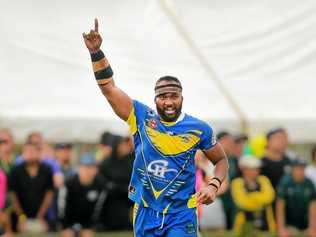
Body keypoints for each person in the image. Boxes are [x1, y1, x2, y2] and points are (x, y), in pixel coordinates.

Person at [82, 19, 228, 237]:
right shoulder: (140, 116)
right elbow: (109, 88)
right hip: (145, 210)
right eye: (162, 96)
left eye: (173, 96)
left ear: (182, 98)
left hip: (182, 213)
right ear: (155, 99)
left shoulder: (199, 129)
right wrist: (96, 52)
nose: (168, 102)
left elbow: (221, 160)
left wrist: (213, 185)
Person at [58, 153, 107, 237]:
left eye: (90, 167)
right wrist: (65, 227)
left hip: (88, 223)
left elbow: (98, 210)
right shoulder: (68, 184)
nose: (87, 171)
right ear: (78, 169)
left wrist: (91, 227)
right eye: (84, 167)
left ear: (96, 169)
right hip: (69, 221)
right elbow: (62, 208)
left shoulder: (101, 186)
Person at [10, 142, 54, 234]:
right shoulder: (16, 170)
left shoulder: (47, 170)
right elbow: (13, 195)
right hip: (20, 217)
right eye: (27, 151)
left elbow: (49, 194)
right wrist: (21, 217)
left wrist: (41, 216)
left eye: (33, 151)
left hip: (42, 216)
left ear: (39, 152)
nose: (30, 154)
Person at [231, 155, 275, 237]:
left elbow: (269, 197)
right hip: (244, 227)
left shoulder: (264, 180)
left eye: (257, 168)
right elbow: (242, 203)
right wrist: (259, 199)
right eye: (253, 168)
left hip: (266, 226)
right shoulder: (237, 183)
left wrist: (251, 197)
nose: (256, 171)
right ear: (244, 169)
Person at [99, 135, 134, 230]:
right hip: (109, 204)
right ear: (116, 145)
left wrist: (119, 187)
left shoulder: (131, 162)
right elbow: (103, 183)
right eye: (123, 144)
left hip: (126, 203)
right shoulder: (106, 163)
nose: (126, 146)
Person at [276, 159, 316, 237]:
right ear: (292, 169)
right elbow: (280, 207)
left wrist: (312, 227)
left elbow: (313, 206)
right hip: (289, 225)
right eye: (297, 168)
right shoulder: (285, 182)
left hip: (305, 224)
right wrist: (281, 228)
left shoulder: (309, 183)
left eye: (302, 169)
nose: (300, 171)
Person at [216, 131, 238, 230]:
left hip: (231, 200)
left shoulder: (234, 159)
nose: (231, 144)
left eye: (232, 142)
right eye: (227, 141)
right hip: (216, 200)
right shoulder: (211, 158)